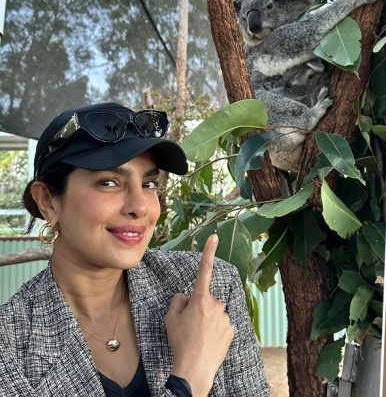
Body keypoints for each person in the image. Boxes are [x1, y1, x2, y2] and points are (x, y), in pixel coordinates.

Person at [0, 102, 271, 397]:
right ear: (48, 201)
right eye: (108, 182)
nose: (140, 207)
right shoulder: (11, 342)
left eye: (149, 183)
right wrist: (190, 378)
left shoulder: (207, 292)